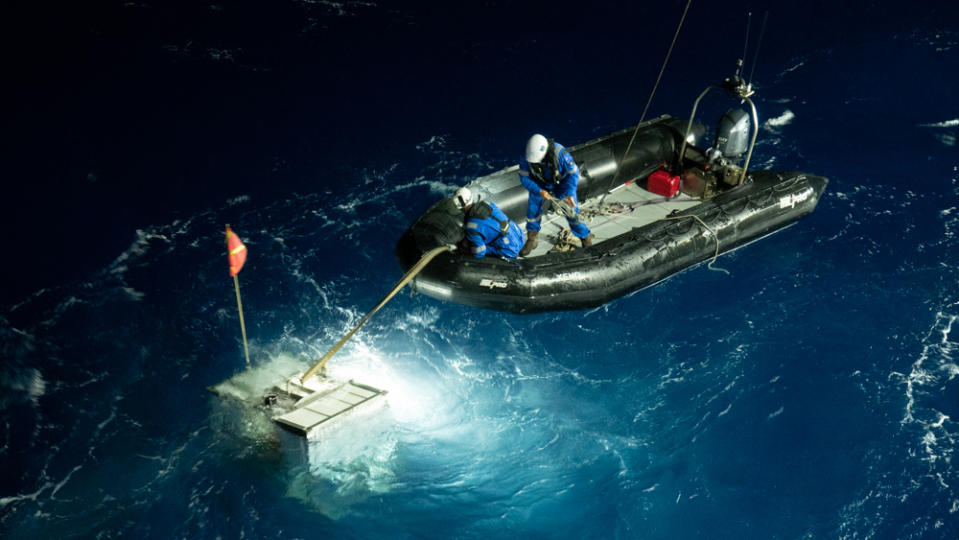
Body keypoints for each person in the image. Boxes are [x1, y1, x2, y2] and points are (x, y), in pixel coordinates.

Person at [517, 134, 594, 256]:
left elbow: (573, 174)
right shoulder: (527, 157)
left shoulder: (560, 154)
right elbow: (524, 178)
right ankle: (532, 239)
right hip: (540, 185)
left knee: (571, 212)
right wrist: (539, 191)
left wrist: (568, 194)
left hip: (562, 184)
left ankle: (585, 237)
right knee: (533, 210)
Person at [452, 187, 524, 260]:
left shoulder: (471, 226)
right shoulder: (487, 204)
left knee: (467, 245)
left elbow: (479, 253)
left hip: (509, 250)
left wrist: (467, 249)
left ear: (459, 207)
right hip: (519, 236)